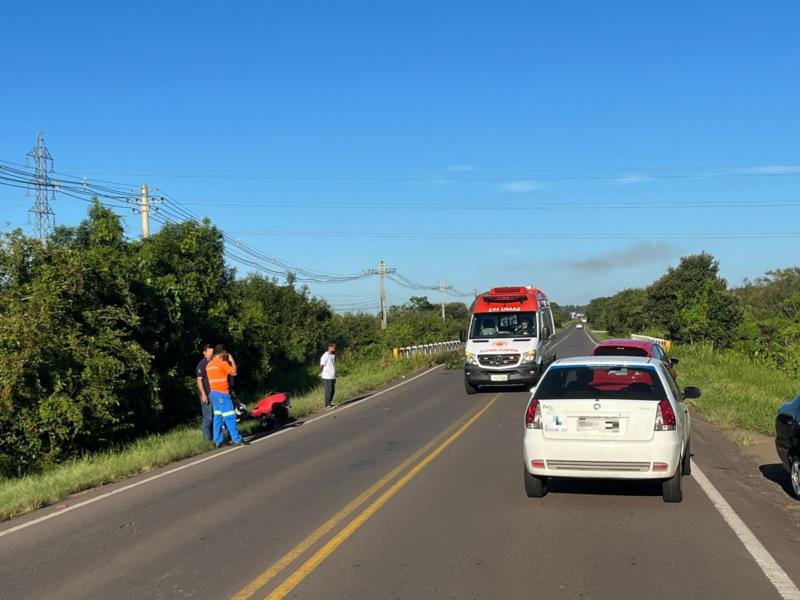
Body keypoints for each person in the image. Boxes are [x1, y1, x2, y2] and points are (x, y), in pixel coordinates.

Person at [206, 344, 246, 447]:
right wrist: (231, 360)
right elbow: (234, 373)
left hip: (213, 394)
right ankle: (237, 439)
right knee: (230, 417)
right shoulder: (222, 363)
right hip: (223, 394)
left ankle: (217, 440)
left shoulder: (209, 365)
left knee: (218, 417)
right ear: (221, 353)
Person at [195, 344, 214, 441]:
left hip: (216, 394)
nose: (211, 354)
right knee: (208, 417)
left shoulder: (215, 362)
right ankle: (206, 441)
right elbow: (199, 380)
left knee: (217, 417)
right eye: (209, 353)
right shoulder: (202, 364)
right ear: (204, 353)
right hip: (207, 394)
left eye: (212, 352)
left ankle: (217, 439)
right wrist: (204, 394)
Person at [319, 342, 337, 409]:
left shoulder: (333, 355)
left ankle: (330, 402)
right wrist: (321, 373)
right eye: (333, 347)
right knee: (328, 390)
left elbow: (333, 365)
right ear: (330, 347)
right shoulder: (325, 355)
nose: (334, 348)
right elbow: (321, 365)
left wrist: (335, 375)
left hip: (332, 375)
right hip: (326, 376)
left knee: (333, 390)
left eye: (334, 347)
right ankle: (327, 404)